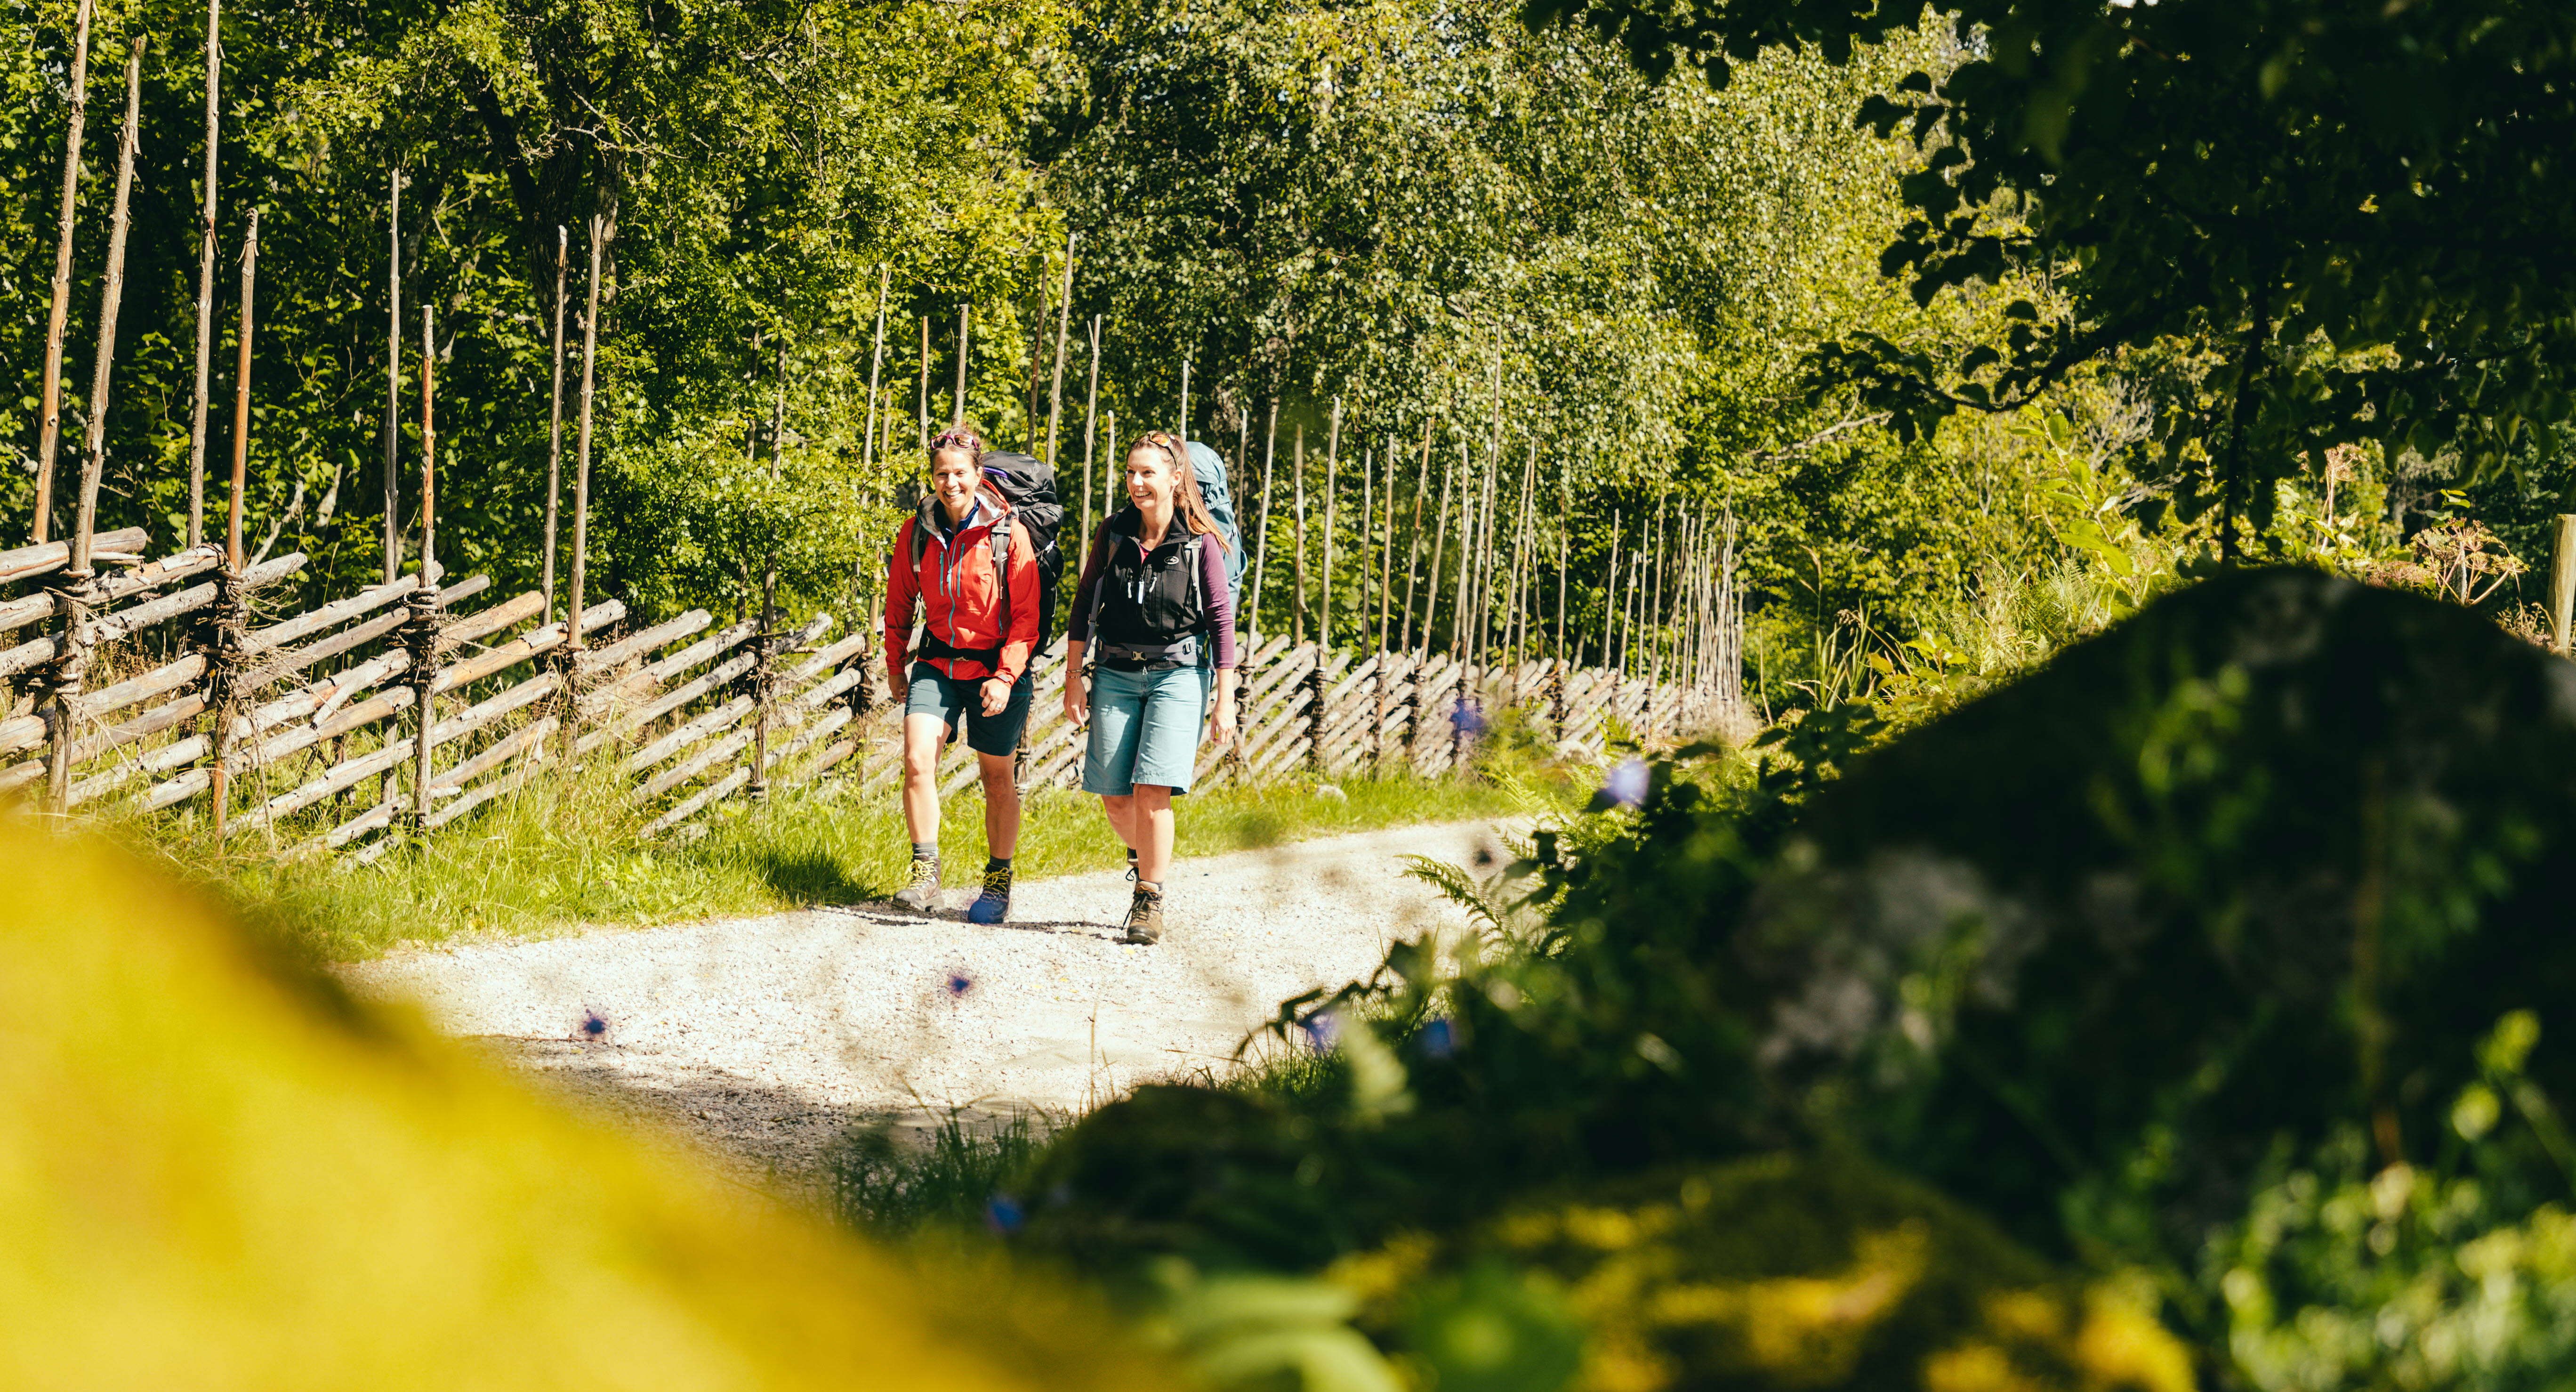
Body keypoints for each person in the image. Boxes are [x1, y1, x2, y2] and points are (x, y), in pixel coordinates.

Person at [1063, 431, 1240, 944]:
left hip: (1178, 675)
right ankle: (1147, 854)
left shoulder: (1201, 542)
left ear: (1175, 478)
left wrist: (1224, 700)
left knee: (1152, 790)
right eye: (1131, 473)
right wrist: (1074, 680)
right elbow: (1083, 608)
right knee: (1116, 798)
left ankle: (1149, 898)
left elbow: (1221, 624)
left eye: (1148, 473)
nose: (1137, 483)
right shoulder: (1114, 533)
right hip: (1115, 673)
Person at [883, 428, 1041, 923]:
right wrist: (894, 665)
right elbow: (899, 604)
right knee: (916, 759)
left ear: (977, 474)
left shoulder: (1007, 533)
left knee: (997, 777)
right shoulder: (916, 532)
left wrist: (1007, 675)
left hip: (996, 668)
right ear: (931, 478)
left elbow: (1027, 617)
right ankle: (925, 874)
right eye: (941, 474)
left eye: (959, 473)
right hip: (938, 664)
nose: (950, 482)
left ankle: (997, 882)